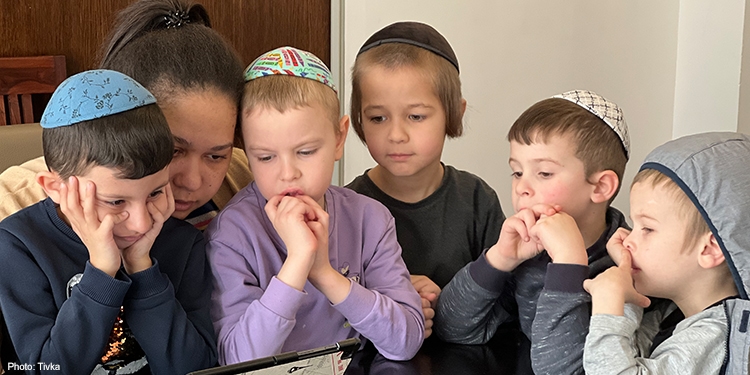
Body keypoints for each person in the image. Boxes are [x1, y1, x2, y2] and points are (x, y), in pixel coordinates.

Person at [205, 47, 424, 365]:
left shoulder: (370, 219)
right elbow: (239, 362)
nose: (287, 173)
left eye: (306, 151)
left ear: (339, 138)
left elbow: (405, 342)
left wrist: (324, 273)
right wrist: (297, 262)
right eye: (265, 157)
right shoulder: (231, 234)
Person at [0, 70, 216, 374]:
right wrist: (102, 271)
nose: (142, 223)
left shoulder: (183, 242)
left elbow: (195, 368)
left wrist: (142, 266)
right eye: (116, 202)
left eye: (155, 192)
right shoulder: (18, 245)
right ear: (56, 188)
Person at [0, 0, 251, 229]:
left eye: (216, 155)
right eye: (172, 150)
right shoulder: (12, 209)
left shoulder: (247, 179)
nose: (192, 182)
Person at [434, 90, 631, 374]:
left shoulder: (628, 265)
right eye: (517, 172)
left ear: (600, 187)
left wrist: (568, 263)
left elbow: (561, 370)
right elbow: (452, 329)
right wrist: (498, 259)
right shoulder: (530, 254)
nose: (522, 187)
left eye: (544, 173)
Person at [346, 21, 505, 338]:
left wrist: (445, 303)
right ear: (358, 119)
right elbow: (331, 314)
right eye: (378, 118)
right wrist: (395, 301)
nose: (396, 135)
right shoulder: (347, 209)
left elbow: (507, 304)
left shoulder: (477, 201)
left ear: (454, 114)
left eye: (416, 116)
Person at [582, 132, 750, 374]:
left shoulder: (714, 338)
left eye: (647, 228)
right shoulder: (671, 313)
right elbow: (630, 357)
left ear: (710, 248)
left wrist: (608, 305)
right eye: (634, 224)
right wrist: (627, 291)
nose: (628, 239)